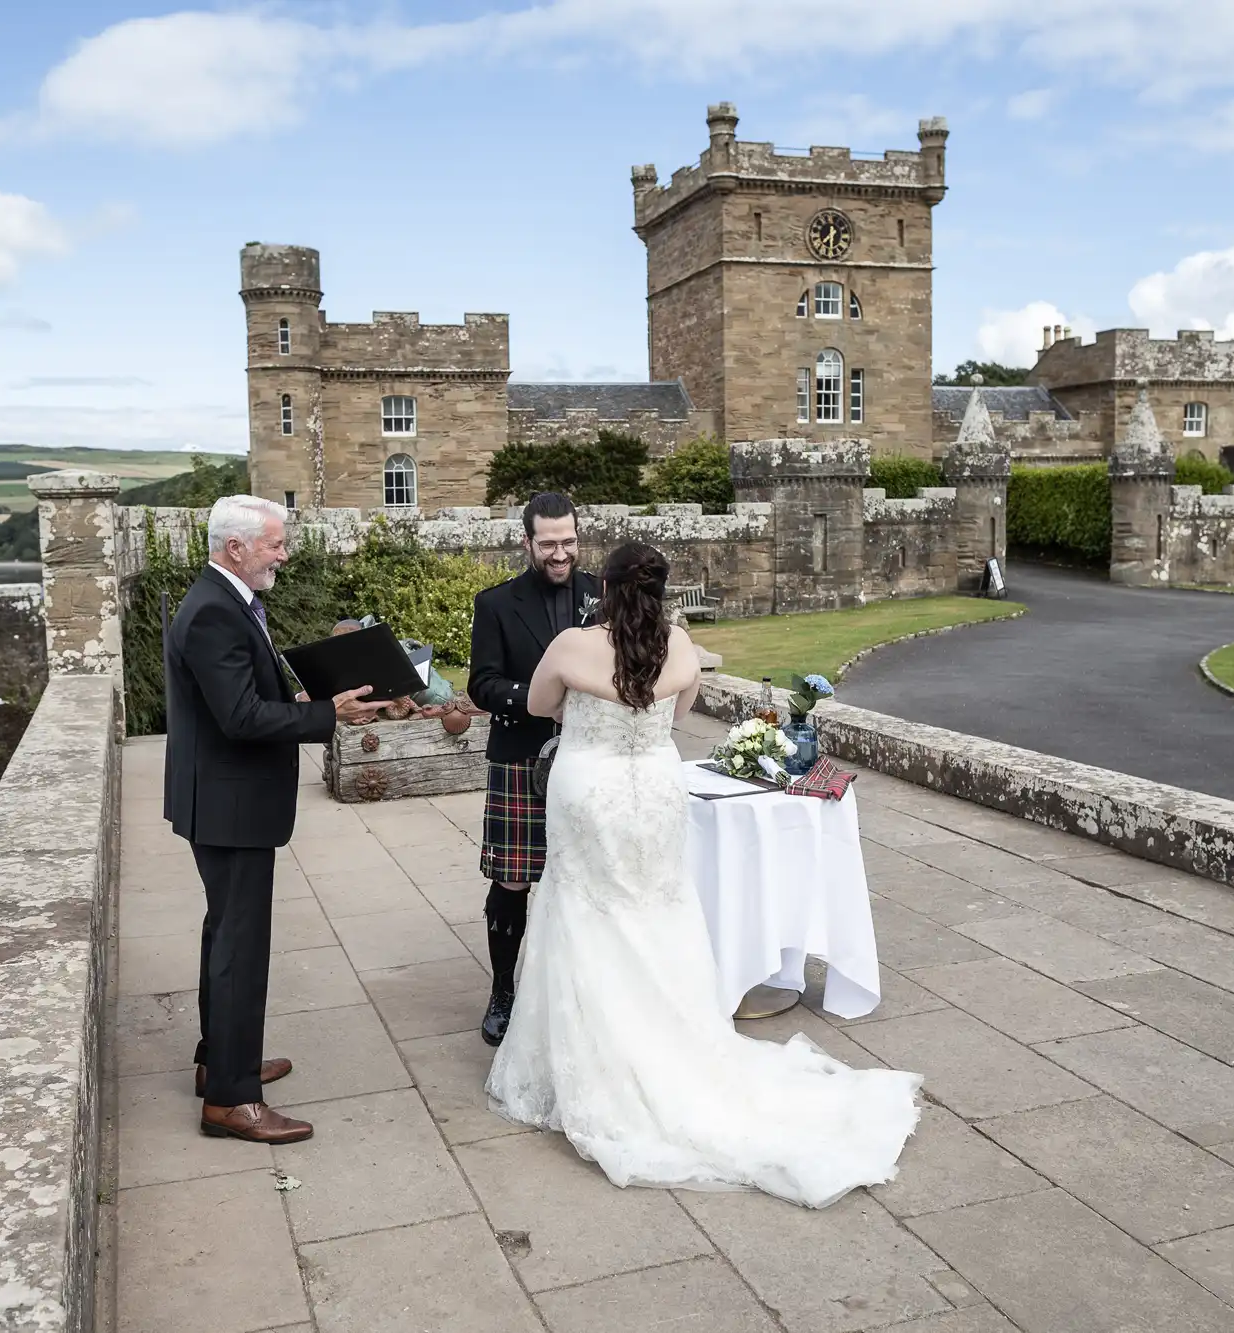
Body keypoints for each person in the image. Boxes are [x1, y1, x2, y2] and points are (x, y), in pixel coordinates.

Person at [485, 541, 923, 1209]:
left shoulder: (572, 647)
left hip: (589, 788)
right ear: (661, 589)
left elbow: (544, 705)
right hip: (656, 790)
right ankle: (671, 1041)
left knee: (586, 909)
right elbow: (680, 714)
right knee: (658, 909)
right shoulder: (680, 645)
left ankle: (599, 1061)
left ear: (603, 585)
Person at [164, 495, 385, 1144]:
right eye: (275, 544)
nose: (283, 554)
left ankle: (220, 1061)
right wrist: (327, 714)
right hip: (230, 807)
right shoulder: (212, 612)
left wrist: (302, 699)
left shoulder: (223, 600)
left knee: (224, 936)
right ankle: (232, 1100)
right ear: (236, 547)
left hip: (227, 802)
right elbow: (241, 720)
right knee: (239, 947)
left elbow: (240, 699)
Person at [467, 493, 600, 1046]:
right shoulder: (496, 604)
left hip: (592, 757)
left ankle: (584, 989)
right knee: (513, 879)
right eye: (548, 543)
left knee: (591, 878)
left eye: (568, 541)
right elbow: (482, 684)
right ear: (527, 543)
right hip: (522, 755)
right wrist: (542, 699)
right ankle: (503, 991)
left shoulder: (603, 594)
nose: (560, 553)